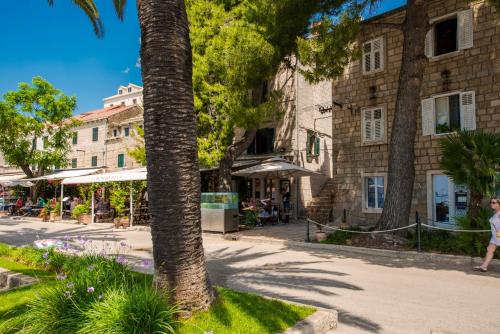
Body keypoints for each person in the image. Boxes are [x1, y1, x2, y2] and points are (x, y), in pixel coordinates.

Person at [474, 196, 500, 272]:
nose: (491, 204)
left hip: (499, 235)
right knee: (490, 249)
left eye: (494, 202)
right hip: (495, 236)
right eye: (491, 202)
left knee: (490, 249)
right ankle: (484, 266)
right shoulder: (496, 212)